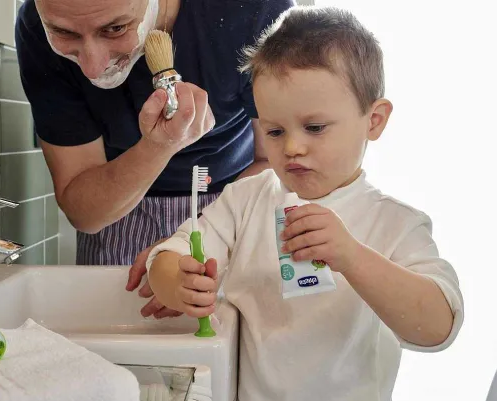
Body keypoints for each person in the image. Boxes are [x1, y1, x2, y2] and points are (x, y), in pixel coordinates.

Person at [146, 6, 464, 400]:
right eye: (275, 131)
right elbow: (167, 256)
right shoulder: (246, 199)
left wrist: (351, 256)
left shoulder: (394, 224)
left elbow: (438, 328)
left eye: (314, 127)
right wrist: (179, 283)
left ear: (374, 120)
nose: (293, 147)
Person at [15, 0, 294, 318]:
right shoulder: (36, 24)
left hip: (234, 207)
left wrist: (200, 236)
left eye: (115, 28)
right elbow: (84, 213)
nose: (92, 67)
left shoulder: (255, 8)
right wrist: (158, 148)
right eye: (64, 33)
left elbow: (277, 164)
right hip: (115, 216)